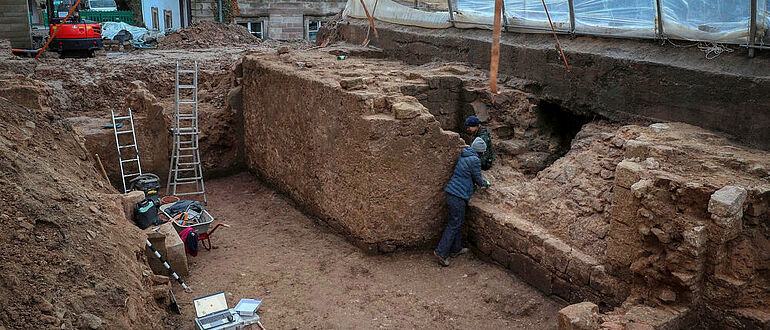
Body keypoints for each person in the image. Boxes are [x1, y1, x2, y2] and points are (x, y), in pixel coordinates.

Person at [434, 137, 491, 267]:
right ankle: (441, 252)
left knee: (457, 222)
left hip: (452, 193)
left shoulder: (464, 155)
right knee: (454, 224)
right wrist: (486, 183)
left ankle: (456, 248)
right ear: (480, 151)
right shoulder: (475, 160)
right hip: (458, 195)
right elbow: (478, 178)